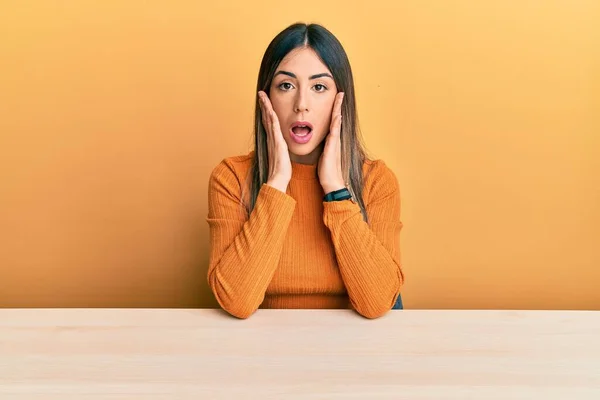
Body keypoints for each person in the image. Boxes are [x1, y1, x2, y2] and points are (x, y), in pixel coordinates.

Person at [206, 22, 404, 319]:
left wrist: (336, 189)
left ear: (341, 100)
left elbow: (377, 304)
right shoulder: (231, 178)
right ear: (266, 99)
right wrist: (276, 183)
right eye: (286, 85)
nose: (301, 105)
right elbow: (237, 301)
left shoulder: (376, 181)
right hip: (262, 351)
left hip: (351, 352)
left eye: (319, 87)